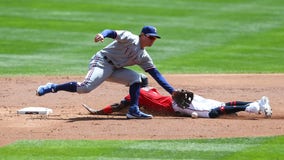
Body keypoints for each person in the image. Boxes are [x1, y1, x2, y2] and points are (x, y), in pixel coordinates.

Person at [36, 26, 177, 119]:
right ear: (142, 35)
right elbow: (112, 32)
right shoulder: (130, 37)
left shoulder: (144, 57)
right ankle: (52, 87)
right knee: (85, 88)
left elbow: (156, 74)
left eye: (154, 38)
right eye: (151, 37)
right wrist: (102, 35)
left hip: (115, 69)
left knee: (137, 78)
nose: (153, 40)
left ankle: (133, 110)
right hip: (102, 62)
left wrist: (172, 92)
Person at [83, 86, 272, 118]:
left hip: (181, 105)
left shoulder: (135, 95)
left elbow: (119, 106)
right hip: (188, 100)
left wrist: (99, 112)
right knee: (219, 104)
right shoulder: (149, 89)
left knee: (213, 113)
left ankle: (252, 107)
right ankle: (256, 102)